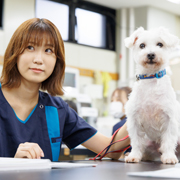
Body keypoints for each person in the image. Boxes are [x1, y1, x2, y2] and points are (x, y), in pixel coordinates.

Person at [0, 18, 130, 161]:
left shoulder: (58, 110)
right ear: (15, 53)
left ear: (57, 61)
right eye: (30, 47)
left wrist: (140, 115)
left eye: (48, 50)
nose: (39, 59)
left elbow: (111, 150)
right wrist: (12, 164)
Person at [110, 87, 132, 155]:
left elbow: (114, 154)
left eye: (118, 100)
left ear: (130, 101)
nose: (114, 103)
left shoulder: (118, 127)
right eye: (112, 100)